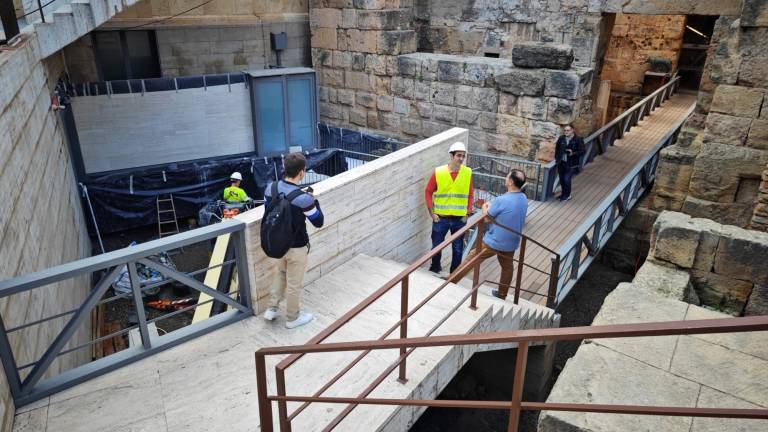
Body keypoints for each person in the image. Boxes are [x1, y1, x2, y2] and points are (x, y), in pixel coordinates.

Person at [262, 153, 324, 329]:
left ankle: (272, 309)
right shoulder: (303, 198)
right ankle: (292, 318)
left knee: (280, 274)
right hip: (296, 247)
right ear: (302, 172)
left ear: (285, 168)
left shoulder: (270, 189)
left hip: (276, 244)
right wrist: (314, 201)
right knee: (294, 283)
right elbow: (318, 221)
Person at [449, 169, 528, 299]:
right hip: (512, 241)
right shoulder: (523, 198)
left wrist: (485, 207)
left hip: (495, 241)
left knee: (472, 258)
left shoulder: (502, 200)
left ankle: (450, 281)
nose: (506, 177)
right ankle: (502, 293)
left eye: (507, 176)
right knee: (507, 267)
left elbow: (486, 218)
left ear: (511, 182)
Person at [424, 141, 474, 276]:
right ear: (451, 156)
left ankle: (454, 275)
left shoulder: (467, 172)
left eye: (463, 156)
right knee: (436, 246)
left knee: (458, 249)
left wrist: (467, 213)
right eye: (459, 155)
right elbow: (428, 191)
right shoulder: (438, 172)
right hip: (441, 218)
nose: (461, 159)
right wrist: (432, 214)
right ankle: (435, 269)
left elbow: (470, 194)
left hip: (459, 219)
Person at [554, 124, 585, 202]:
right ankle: (564, 193)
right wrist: (557, 158)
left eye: (568, 130)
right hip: (561, 162)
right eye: (565, 130)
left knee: (567, 179)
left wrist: (573, 153)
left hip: (571, 163)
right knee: (561, 180)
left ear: (572, 130)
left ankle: (567, 195)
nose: (566, 132)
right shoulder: (561, 138)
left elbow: (582, 151)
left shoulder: (578, 139)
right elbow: (557, 149)